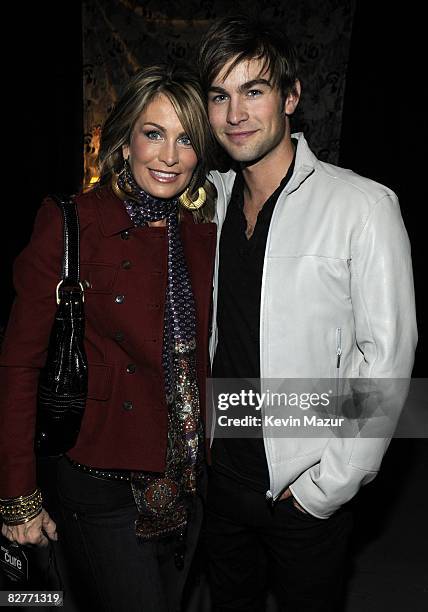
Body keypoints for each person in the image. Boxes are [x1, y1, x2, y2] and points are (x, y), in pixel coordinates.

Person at [198, 15, 417, 612]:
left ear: (291, 97)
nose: (236, 113)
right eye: (221, 95)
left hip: (303, 486)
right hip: (219, 481)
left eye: (254, 90)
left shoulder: (363, 206)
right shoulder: (205, 202)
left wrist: (329, 484)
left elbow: (386, 359)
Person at [0, 64, 217, 612]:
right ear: (123, 143)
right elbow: (20, 364)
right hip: (100, 476)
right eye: (153, 134)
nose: (169, 156)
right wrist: (17, 494)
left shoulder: (202, 233)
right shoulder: (72, 222)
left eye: (186, 138)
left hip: (188, 475)